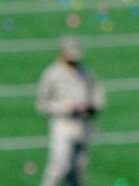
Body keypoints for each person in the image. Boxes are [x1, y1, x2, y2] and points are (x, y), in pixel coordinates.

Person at [35, 37, 103, 186]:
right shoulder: (52, 74)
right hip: (62, 126)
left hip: (83, 127)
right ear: (62, 53)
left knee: (78, 173)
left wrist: (92, 106)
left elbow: (98, 96)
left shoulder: (86, 73)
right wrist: (65, 107)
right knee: (59, 167)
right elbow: (41, 105)